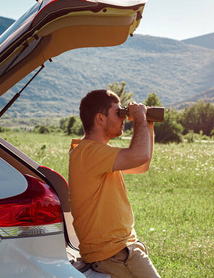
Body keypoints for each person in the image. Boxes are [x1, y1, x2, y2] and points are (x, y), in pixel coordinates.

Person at [69, 89, 160, 278]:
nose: (124, 118)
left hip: (118, 252)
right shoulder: (89, 153)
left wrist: (147, 124)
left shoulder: (96, 152)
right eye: (118, 113)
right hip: (114, 254)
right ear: (100, 119)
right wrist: (140, 118)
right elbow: (139, 155)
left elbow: (140, 165)